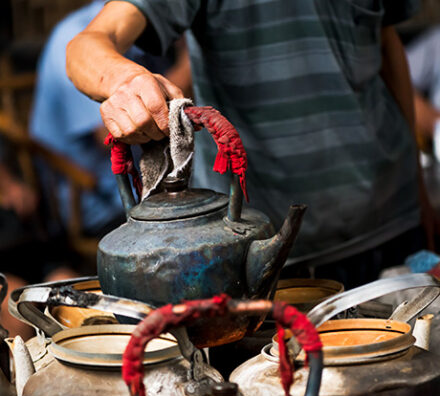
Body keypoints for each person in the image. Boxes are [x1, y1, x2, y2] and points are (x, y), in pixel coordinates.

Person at [65, 1, 430, 289]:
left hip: (393, 221)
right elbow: (88, 44)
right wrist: (125, 80)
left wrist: (419, 187)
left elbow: (385, 41)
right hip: (266, 256)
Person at [30, 0, 192, 238]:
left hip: (148, 191)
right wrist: (188, 64)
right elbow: (120, 130)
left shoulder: (153, 36)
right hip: (96, 199)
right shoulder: (75, 36)